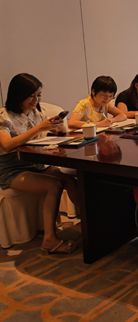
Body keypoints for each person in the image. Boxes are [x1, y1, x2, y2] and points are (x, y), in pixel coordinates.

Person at [0, 74, 79, 254]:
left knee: (70, 180)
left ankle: (90, 223)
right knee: (54, 185)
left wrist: (58, 128)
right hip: (12, 169)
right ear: (18, 95)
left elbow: (53, 135)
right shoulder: (4, 117)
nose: (36, 100)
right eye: (31, 96)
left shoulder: (38, 113)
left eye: (39, 95)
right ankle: (49, 240)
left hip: (36, 163)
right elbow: (6, 145)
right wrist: (39, 128)